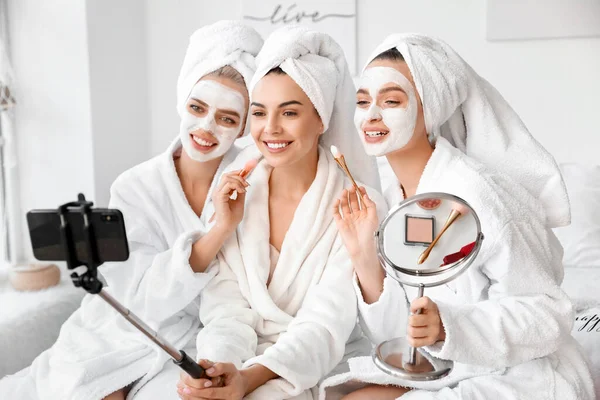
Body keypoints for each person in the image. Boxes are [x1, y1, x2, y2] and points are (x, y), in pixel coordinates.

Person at [0, 20, 262, 400]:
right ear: (182, 103)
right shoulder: (134, 186)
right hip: (116, 328)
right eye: (197, 107)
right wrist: (218, 229)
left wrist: (222, 355)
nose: (206, 127)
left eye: (227, 118)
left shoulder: (251, 186)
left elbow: (240, 296)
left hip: (193, 338)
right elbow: (142, 298)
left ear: (242, 129)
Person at [326, 34, 595, 399]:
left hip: (526, 374)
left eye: (391, 100)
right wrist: (364, 259)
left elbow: (548, 316)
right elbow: (398, 336)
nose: (371, 114)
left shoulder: (482, 194)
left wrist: (449, 328)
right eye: (362, 100)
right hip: (445, 369)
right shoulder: (392, 199)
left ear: (430, 109)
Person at [176, 26, 384, 400]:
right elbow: (226, 311)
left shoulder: (357, 205)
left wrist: (249, 380)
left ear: (321, 119)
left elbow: (324, 326)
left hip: (314, 365)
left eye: (289, 112)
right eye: (258, 113)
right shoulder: (233, 191)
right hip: (237, 361)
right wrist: (219, 370)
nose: (270, 129)